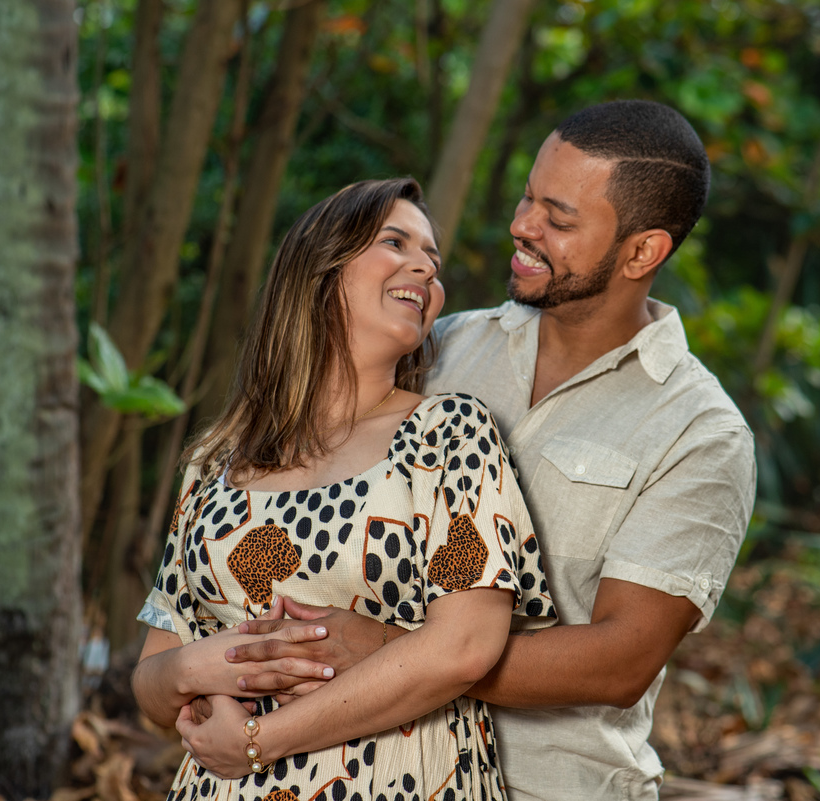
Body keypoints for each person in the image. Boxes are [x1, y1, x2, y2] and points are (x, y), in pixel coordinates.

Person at [222, 100, 758, 800]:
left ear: (642, 251)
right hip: (353, 774)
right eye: (528, 196)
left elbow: (618, 659)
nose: (522, 226)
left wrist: (391, 651)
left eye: (557, 218)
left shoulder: (699, 431)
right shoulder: (436, 351)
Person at [131, 177, 555, 801]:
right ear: (321, 267)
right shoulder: (217, 457)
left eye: (433, 262)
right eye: (395, 241)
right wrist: (200, 665)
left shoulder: (449, 433)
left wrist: (260, 742)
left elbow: (464, 647)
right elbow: (151, 678)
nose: (426, 269)